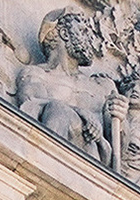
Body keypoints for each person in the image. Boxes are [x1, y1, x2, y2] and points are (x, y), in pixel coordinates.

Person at [16, 8, 115, 165]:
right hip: (52, 165)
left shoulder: (101, 86)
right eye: (83, 31)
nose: (90, 38)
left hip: (93, 171)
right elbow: (29, 107)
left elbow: (120, 149)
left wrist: (120, 118)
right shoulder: (36, 75)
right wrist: (81, 112)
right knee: (58, 108)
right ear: (64, 33)